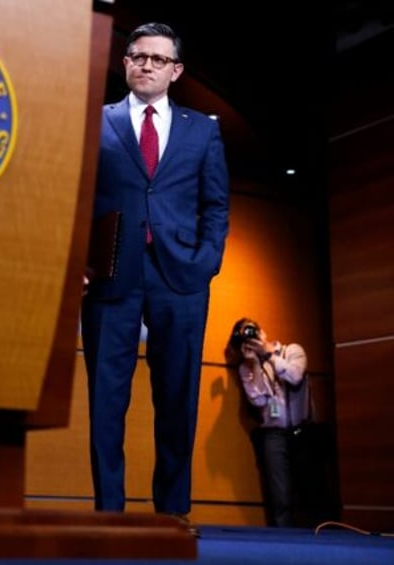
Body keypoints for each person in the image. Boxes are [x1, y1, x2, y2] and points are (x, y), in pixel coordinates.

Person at [81, 22, 230, 517]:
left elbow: (216, 205)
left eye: (158, 59)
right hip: (111, 276)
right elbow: (75, 197)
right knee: (106, 403)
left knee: (178, 398)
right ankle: (109, 514)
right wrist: (82, 262)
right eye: (137, 56)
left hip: (181, 279)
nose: (146, 64)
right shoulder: (94, 121)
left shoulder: (202, 129)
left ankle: (173, 514)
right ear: (124, 62)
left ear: (176, 70)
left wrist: (206, 262)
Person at [227, 318, 311, 528]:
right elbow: (259, 400)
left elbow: (295, 376)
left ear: (262, 332)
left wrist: (268, 355)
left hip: (303, 432)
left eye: (252, 333)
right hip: (273, 435)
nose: (251, 341)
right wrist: (255, 364)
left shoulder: (292, 351)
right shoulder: (246, 368)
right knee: (280, 499)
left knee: (311, 493)